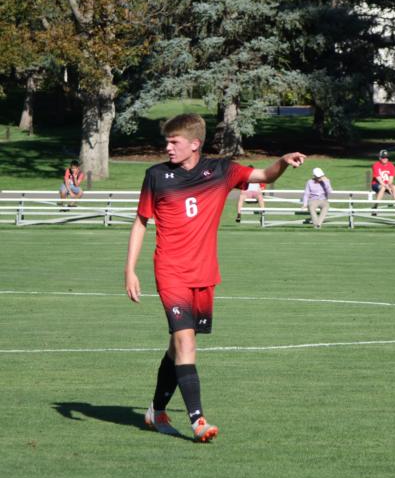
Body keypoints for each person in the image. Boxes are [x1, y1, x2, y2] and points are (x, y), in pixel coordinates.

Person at [124, 113, 305, 442]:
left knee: (176, 347)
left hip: (204, 273)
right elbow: (141, 222)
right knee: (186, 343)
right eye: (167, 141)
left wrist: (281, 161)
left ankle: (155, 410)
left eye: (174, 142)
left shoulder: (221, 170)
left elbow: (265, 175)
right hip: (170, 270)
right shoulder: (156, 176)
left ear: (195, 144)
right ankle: (198, 421)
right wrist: (130, 270)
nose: (167, 147)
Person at [370, 149, 395, 215]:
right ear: (380, 158)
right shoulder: (376, 165)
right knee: (383, 187)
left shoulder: (391, 166)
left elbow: (391, 180)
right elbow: (379, 180)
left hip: (387, 184)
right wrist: (387, 187)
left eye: (386, 157)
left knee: (394, 187)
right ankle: (375, 207)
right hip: (376, 184)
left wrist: (389, 186)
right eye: (383, 157)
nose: (385, 159)